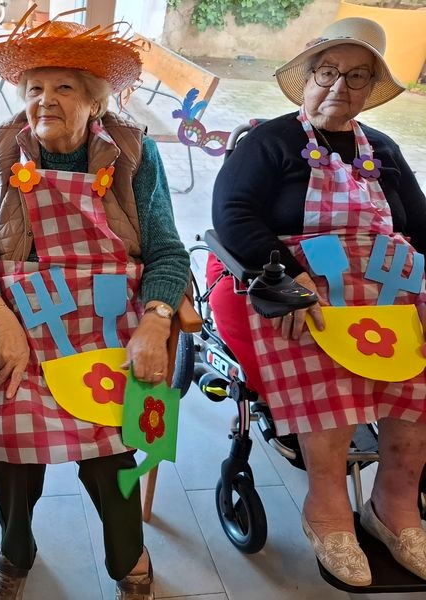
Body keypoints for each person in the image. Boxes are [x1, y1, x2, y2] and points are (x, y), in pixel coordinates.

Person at [0, 13, 190, 600]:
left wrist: (156, 322)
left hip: (111, 328)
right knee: (11, 431)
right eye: (34, 88)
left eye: (64, 88)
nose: (44, 100)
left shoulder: (133, 153)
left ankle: (128, 559)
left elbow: (167, 250)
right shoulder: (0, 149)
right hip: (24, 331)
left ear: (94, 100)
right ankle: (15, 551)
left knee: (114, 440)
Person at [211, 17, 426, 587]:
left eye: (357, 77)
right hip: (306, 277)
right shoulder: (269, 142)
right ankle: (328, 511)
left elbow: (421, 225)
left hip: (392, 282)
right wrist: (284, 280)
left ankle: (395, 507)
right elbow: (232, 217)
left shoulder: (382, 148)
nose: (339, 87)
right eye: (327, 72)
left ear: (371, 90)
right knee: (320, 348)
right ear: (306, 78)